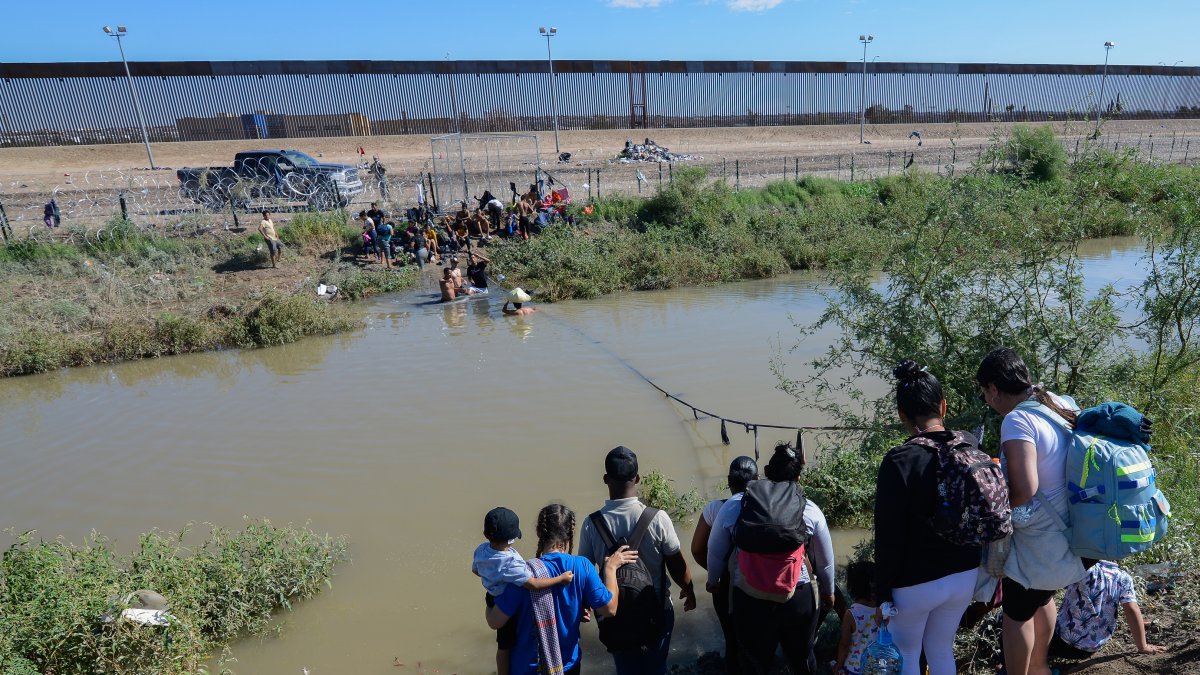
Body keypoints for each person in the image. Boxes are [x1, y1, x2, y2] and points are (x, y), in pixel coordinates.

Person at [977, 347, 1086, 675]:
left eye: (985, 394)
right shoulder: (1059, 401)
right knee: (1041, 599)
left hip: (1040, 542)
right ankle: (1039, 667)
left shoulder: (1017, 419)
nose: (987, 401)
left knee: (1016, 615)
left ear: (994, 389)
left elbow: (1025, 489)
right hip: (1071, 534)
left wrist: (993, 511)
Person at [874, 361, 983, 675]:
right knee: (939, 649)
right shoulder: (969, 445)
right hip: (965, 573)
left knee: (906, 655)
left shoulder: (899, 460)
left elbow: (888, 536)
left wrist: (883, 595)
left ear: (901, 415)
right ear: (943, 406)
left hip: (915, 583)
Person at [707, 442, 836, 675]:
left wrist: (713, 581)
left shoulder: (737, 504)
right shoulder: (810, 509)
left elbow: (715, 550)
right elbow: (826, 561)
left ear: (765, 471)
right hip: (797, 594)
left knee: (755, 662)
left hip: (749, 596)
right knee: (801, 658)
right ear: (798, 477)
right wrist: (829, 592)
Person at [578, 446, 697, 675]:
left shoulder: (591, 524)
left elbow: (585, 573)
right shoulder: (658, 518)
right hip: (657, 610)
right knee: (656, 665)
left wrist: (583, 604)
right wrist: (689, 590)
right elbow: (676, 565)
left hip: (613, 615)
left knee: (625, 668)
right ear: (638, 478)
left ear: (605, 479)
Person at [487, 504, 637, 675]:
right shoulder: (582, 567)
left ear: (538, 532)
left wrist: (490, 594)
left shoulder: (522, 575)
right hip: (567, 666)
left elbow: (495, 622)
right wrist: (610, 568)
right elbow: (610, 609)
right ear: (570, 534)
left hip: (527, 669)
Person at [473, 507, 576, 675]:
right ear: (512, 538)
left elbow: (476, 570)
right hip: (504, 602)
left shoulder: (481, 550)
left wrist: (492, 579)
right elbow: (534, 584)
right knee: (508, 644)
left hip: (491, 596)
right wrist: (560, 579)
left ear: (486, 534)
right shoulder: (511, 564)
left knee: (503, 647)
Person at [691, 456, 759, 675]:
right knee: (759, 637)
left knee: (732, 637)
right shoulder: (770, 506)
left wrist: (716, 576)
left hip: (726, 585)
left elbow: (697, 549)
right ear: (757, 479)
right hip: (764, 580)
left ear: (729, 481)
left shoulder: (715, 509)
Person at [1051, 560, 1164, 660]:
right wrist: (1143, 646)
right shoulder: (1123, 577)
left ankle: (1038, 663)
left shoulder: (1082, 568)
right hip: (1090, 648)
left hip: (1061, 641)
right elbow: (1132, 610)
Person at [835, 561, 880, 675]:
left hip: (853, 668)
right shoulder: (881, 610)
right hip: (877, 668)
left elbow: (844, 644)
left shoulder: (851, 614)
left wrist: (839, 664)